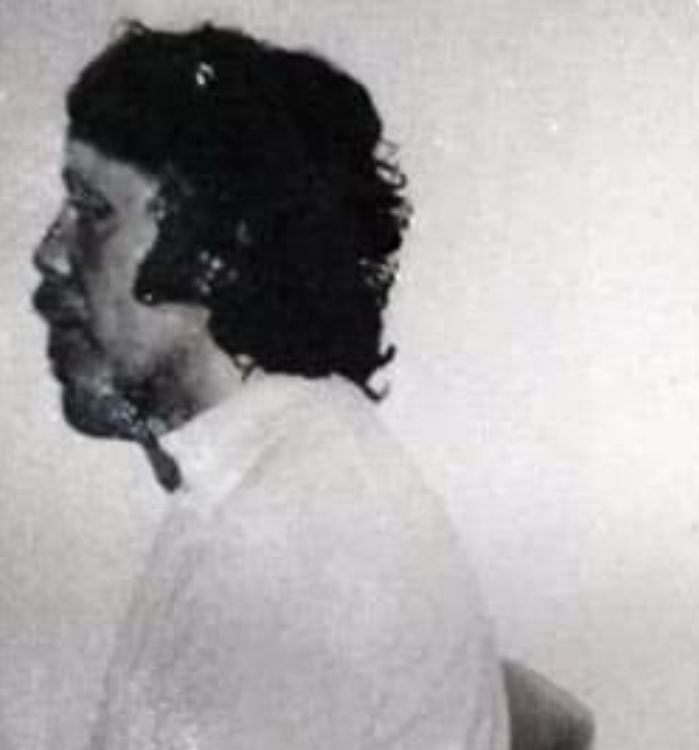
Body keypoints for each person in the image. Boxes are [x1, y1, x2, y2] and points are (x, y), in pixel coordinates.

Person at [30, 22, 508, 750]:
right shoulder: (282, 474)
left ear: (220, 250)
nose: (50, 254)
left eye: (93, 211)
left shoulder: (288, 538)